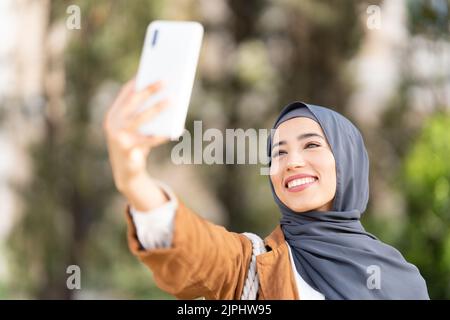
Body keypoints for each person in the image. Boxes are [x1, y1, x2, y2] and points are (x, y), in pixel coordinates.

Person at [103, 79, 430, 300]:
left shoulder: (404, 279)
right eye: (279, 152)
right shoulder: (253, 265)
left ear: (347, 160)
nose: (292, 162)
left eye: (312, 144)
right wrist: (133, 180)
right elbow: (199, 250)